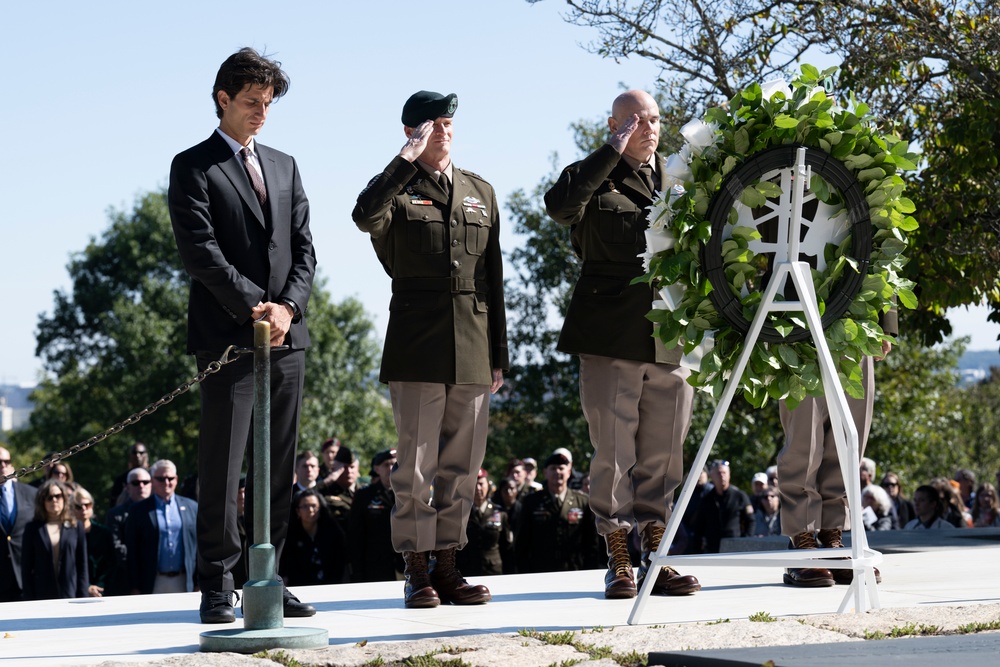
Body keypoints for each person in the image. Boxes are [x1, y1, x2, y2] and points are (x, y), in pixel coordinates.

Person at [168, 47, 316, 623]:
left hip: (285, 339)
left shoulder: (285, 164)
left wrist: (287, 310)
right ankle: (217, 583)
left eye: (268, 104)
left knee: (277, 468)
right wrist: (255, 307)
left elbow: (304, 248)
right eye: (252, 102)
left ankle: (269, 579)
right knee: (225, 465)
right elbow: (199, 252)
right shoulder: (194, 165)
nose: (262, 113)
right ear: (223, 99)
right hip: (227, 338)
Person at [352, 90, 508, 609]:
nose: (443, 130)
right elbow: (364, 215)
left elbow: (493, 279)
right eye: (430, 124)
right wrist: (403, 161)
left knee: (461, 467)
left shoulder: (479, 191)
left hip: (472, 345)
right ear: (410, 133)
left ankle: (448, 565)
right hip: (417, 345)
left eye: (446, 122)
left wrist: (498, 354)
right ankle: (415, 567)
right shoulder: (396, 190)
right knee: (415, 467)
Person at [544, 89, 699, 600]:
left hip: (669, 335)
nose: (648, 128)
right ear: (613, 124)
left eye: (654, 119)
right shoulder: (590, 174)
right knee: (612, 452)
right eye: (635, 120)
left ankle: (656, 554)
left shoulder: (680, 179)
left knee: (663, 453)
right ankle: (618, 556)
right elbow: (561, 208)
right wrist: (611, 150)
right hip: (610, 333)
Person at [777, 323, 895, 587]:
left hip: (857, 317)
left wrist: (886, 324)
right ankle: (802, 536)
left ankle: (833, 534)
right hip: (797, 321)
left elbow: (883, 279)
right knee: (804, 443)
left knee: (848, 441)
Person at [516, 452, 601, 574]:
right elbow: (522, 542)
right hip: (540, 571)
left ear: (569, 471)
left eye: (561, 468)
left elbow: (591, 542)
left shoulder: (582, 501)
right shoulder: (532, 501)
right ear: (545, 472)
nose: (557, 472)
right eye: (553, 468)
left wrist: (590, 570)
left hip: (575, 570)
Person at [125, 460, 198, 595]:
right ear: (152, 480)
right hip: (152, 582)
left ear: (176, 479)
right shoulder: (138, 510)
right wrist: (134, 586)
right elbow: (132, 551)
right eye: (161, 479)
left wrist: (199, 583)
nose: (166, 482)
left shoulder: (191, 507)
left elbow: (198, 547)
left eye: (170, 478)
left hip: (184, 580)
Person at [20, 479, 89, 600]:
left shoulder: (76, 526)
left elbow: (82, 565)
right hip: (41, 595)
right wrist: (28, 598)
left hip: (70, 593)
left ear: (65, 498)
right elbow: (26, 567)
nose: (54, 500)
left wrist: (83, 596)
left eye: (58, 496)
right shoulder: (32, 528)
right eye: (49, 497)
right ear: (42, 501)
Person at [349, 449, 404, 582]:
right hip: (375, 566)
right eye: (386, 465)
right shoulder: (365, 495)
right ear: (377, 469)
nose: (391, 468)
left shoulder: (408, 495)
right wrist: (357, 570)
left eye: (395, 464)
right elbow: (355, 535)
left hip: (405, 564)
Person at [279, 489, 346, 586]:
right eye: (305, 506)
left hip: (330, 585)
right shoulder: (289, 536)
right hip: (299, 586)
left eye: (314, 506)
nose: (310, 510)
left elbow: (339, 562)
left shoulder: (332, 533)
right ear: (298, 511)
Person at [103, 467, 151, 596]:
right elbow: (117, 547)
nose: (141, 486)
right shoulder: (115, 514)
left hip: (156, 577)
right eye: (136, 483)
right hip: (126, 579)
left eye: (145, 482)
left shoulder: (159, 512)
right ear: (127, 487)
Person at [457, 469, 514, 576]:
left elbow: (506, 548)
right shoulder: (461, 513)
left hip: (493, 571)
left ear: (488, 486)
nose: (478, 488)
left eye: (481, 484)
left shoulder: (499, 513)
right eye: (474, 484)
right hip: (467, 571)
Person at [690, 460, 754, 553]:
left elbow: (751, 521)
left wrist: (745, 541)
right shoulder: (707, 500)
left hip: (735, 549)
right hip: (713, 550)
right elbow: (699, 527)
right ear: (712, 476)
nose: (722, 476)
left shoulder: (739, 496)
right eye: (719, 473)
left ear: (729, 475)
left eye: (724, 473)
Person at [1, 446, 38, 602]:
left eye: (6, 461)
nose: (3, 466)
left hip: (25, 576)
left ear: (12, 466)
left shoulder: (31, 493)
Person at [71, 486, 116, 597]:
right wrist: (86, 586)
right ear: (71, 508)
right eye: (79, 506)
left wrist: (98, 586)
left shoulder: (104, 532)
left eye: (88, 505)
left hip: (103, 589)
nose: (84, 509)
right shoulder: (67, 534)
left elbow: (111, 562)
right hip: (75, 590)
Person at [108, 443, 150, 508]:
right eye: (134, 452)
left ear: (146, 455)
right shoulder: (121, 479)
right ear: (130, 455)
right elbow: (113, 503)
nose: (137, 455)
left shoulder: (154, 476)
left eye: (141, 453)